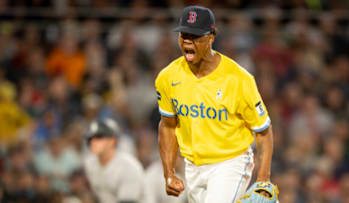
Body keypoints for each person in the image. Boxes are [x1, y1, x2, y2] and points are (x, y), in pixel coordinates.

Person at [155, 5, 275, 203]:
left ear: (211, 38)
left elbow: (263, 130)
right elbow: (167, 126)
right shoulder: (167, 77)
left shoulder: (238, 79)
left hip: (230, 162)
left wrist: (263, 180)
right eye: (183, 34)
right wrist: (168, 172)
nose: (187, 40)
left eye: (194, 36)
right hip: (192, 166)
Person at [83, 118, 145, 203]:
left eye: (99, 138)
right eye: (91, 139)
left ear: (113, 141)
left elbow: (127, 201)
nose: (93, 142)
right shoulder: (89, 163)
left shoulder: (129, 167)